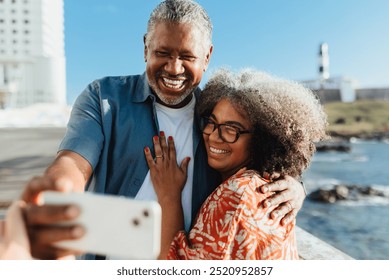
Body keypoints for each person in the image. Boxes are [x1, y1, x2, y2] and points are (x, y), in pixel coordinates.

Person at [21, 0, 306, 260]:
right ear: (145, 47)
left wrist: (296, 186)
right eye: (162, 53)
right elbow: (73, 161)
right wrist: (56, 191)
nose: (174, 68)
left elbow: (264, 152)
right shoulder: (103, 97)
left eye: (187, 56)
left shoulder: (215, 114)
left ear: (207, 57)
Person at [145, 68, 328, 259]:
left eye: (232, 129)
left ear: (262, 139)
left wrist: (169, 196)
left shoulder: (237, 195)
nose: (215, 136)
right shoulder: (261, 186)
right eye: (211, 122)